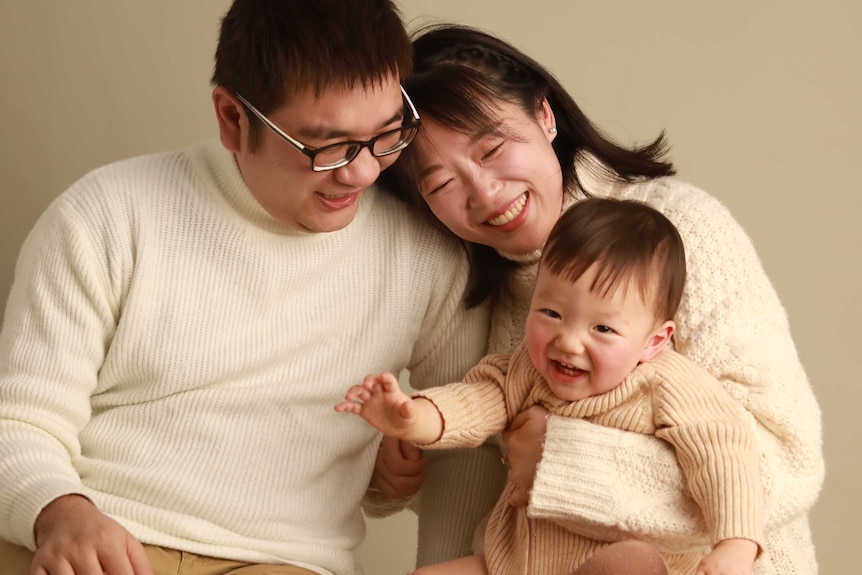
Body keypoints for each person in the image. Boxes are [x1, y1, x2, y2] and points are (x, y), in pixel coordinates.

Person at [0, 3, 490, 575]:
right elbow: (20, 420)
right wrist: (58, 512)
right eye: (327, 145)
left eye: (385, 134)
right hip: (97, 536)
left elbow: (466, 455)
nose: (361, 173)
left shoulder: (426, 255)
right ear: (233, 118)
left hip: (281, 561)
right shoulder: (108, 215)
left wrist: (391, 475)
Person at [375, 24, 823, 574]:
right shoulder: (476, 285)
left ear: (544, 114)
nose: (485, 194)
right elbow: (490, 477)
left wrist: (562, 464)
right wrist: (397, 471)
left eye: (493, 148)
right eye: (442, 184)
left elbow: (785, 461)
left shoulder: (680, 232)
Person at [339, 197, 763, 575]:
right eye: (552, 313)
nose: (569, 341)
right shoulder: (527, 369)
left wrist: (736, 544)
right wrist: (413, 417)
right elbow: (476, 400)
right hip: (519, 561)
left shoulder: (668, 385)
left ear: (654, 341)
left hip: (634, 565)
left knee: (630, 564)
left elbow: (724, 454)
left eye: (602, 328)